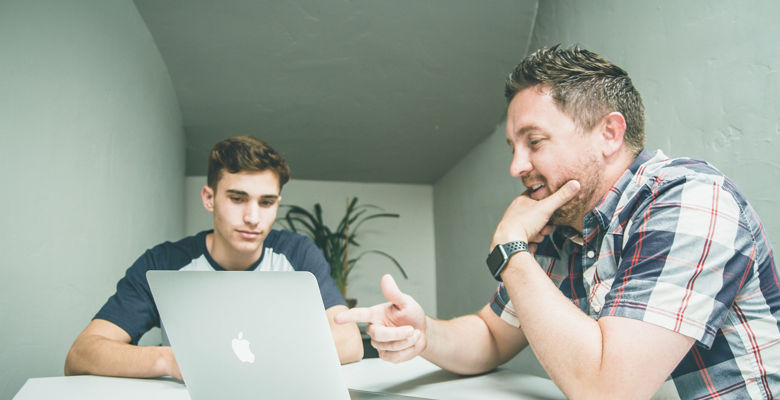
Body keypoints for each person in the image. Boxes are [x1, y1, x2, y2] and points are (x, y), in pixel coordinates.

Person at [336, 46, 780, 399]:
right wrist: (425, 333)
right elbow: (493, 334)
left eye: (534, 142)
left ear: (609, 133)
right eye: (513, 146)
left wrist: (511, 247)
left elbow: (609, 392)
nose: (516, 166)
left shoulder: (690, 200)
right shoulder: (565, 226)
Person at [65, 135, 363, 380]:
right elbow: (82, 353)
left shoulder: (297, 253)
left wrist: (252, 357)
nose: (252, 217)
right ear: (209, 198)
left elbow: (350, 342)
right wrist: (171, 361)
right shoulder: (163, 262)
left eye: (266, 202)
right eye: (237, 198)